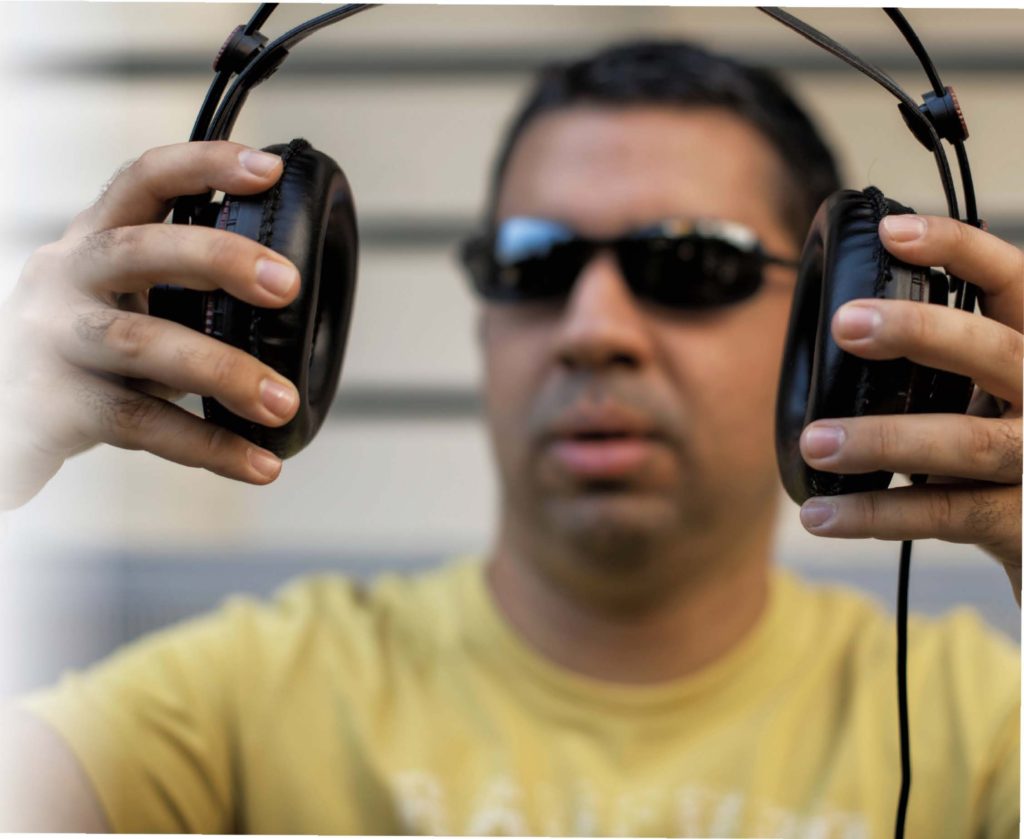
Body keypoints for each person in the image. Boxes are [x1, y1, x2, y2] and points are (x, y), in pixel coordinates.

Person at [0, 39, 1020, 838]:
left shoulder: (981, 729)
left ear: (821, 321)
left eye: (686, 265)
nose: (592, 330)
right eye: (535, 265)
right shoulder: (234, 699)